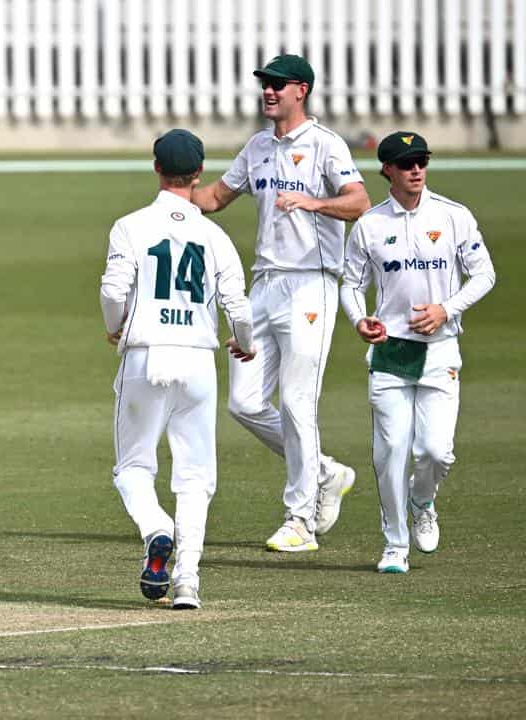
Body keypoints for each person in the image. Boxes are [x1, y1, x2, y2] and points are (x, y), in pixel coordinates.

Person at [191, 54, 371, 552]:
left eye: (277, 85)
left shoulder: (325, 145)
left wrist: (314, 202)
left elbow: (359, 202)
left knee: (296, 401)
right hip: (265, 285)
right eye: (264, 85)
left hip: (312, 284)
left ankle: (301, 520)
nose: (268, 91)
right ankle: (325, 472)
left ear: (301, 90)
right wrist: (174, 188)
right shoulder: (258, 147)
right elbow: (213, 199)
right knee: (244, 403)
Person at [100, 129, 255, 609]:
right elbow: (240, 308)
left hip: (146, 354)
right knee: (194, 477)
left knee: (132, 467)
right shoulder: (213, 234)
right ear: (199, 174)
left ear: (155, 168)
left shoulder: (131, 225)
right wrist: (243, 345)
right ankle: (188, 580)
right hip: (197, 359)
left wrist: (117, 326)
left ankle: (155, 528)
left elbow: (111, 291)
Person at [340, 132, 496, 573]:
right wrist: (359, 320)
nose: (416, 169)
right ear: (387, 169)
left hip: (440, 349)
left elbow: (484, 275)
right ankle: (394, 544)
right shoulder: (370, 224)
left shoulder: (453, 216)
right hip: (390, 352)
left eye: (421, 161)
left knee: (434, 451)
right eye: (406, 163)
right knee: (390, 451)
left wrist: (447, 309)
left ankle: (422, 498)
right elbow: (350, 284)